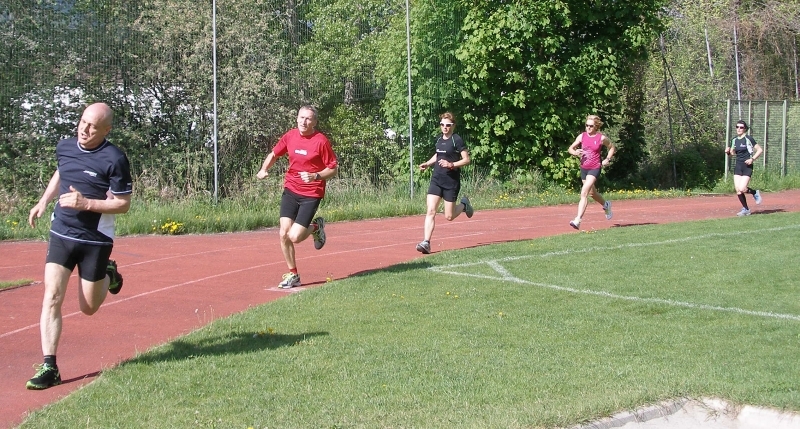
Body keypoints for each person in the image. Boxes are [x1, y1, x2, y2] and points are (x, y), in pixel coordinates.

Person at [25, 102, 132, 390]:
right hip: (61, 232)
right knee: (52, 295)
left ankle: (109, 273)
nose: (84, 129)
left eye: (93, 126)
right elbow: (61, 171)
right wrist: (43, 201)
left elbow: (123, 204)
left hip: (95, 239)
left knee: (88, 308)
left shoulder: (115, 159)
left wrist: (86, 204)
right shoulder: (65, 147)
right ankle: (50, 366)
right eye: (83, 122)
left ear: (106, 130)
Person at [257, 105, 338, 288]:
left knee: (295, 237)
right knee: (283, 233)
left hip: (311, 193)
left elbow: (333, 169)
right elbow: (274, 154)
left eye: (308, 118)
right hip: (291, 190)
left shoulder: (321, 141)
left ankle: (316, 226)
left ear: (314, 122)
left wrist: (315, 176)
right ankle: (293, 275)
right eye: (301, 117)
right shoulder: (290, 136)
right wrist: (264, 169)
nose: (304, 121)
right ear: (297, 119)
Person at [416, 112, 474, 254]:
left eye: (448, 125)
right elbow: (438, 154)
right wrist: (428, 164)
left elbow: (466, 160)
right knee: (431, 210)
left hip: (451, 182)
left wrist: (451, 164)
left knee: (449, 216)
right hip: (436, 180)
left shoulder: (456, 140)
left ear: (453, 126)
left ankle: (464, 205)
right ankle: (426, 242)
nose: (445, 127)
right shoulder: (439, 139)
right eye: (442, 124)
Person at [567, 114, 616, 230]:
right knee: (592, 193)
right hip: (584, 168)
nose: (588, 128)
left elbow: (612, 147)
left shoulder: (601, 138)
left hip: (595, 168)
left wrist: (607, 159)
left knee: (584, 192)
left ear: (596, 127)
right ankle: (606, 205)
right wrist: (575, 152)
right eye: (587, 125)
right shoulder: (582, 136)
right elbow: (570, 148)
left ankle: (577, 220)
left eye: (591, 126)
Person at [725, 120, 763, 216]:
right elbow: (732, 154)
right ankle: (746, 209)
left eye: (741, 127)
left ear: (745, 129)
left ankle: (754, 192)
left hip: (747, 166)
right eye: (737, 127)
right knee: (738, 190)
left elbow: (760, 150)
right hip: (738, 166)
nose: (739, 129)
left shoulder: (748, 139)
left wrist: (752, 159)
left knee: (742, 188)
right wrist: (728, 152)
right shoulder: (734, 140)